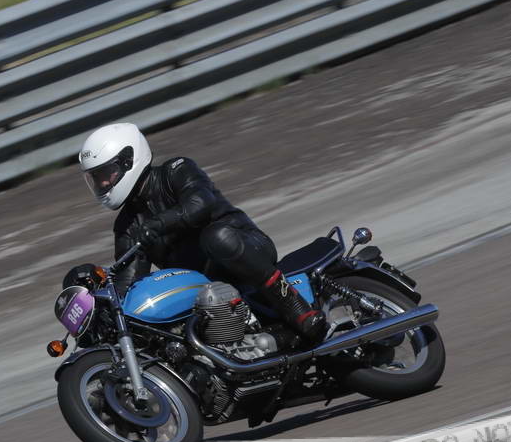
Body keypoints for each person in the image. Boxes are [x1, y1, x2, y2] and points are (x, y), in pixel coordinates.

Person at [77, 122, 326, 346]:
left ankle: (296, 307)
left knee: (217, 237)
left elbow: (200, 203)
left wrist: (159, 224)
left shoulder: (176, 170)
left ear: (128, 161)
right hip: (208, 291)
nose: (103, 184)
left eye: (105, 174)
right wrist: (96, 301)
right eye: (96, 178)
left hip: (249, 249)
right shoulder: (127, 225)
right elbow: (129, 283)